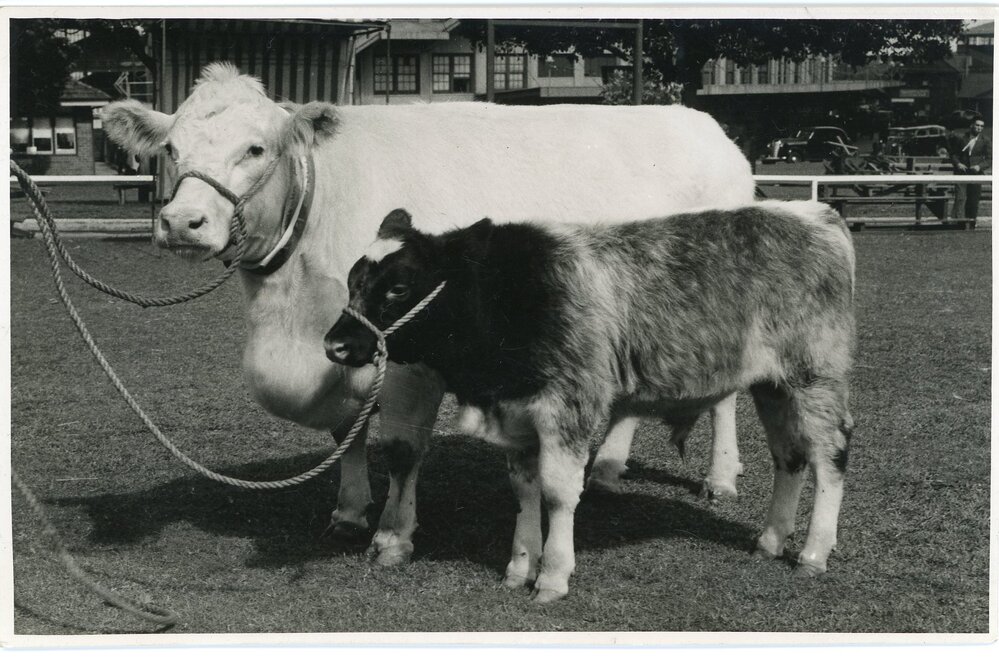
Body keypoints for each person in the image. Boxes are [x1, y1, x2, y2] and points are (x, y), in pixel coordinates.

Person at [948, 116, 991, 221]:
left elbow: (990, 159)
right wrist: (958, 164)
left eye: (981, 126)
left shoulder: (985, 140)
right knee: (960, 198)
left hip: (976, 175)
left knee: (973, 200)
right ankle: (959, 223)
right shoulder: (961, 137)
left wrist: (979, 166)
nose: (979, 128)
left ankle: (971, 223)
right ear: (971, 125)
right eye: (977, 125)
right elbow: (953, 154)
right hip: (961, 173)